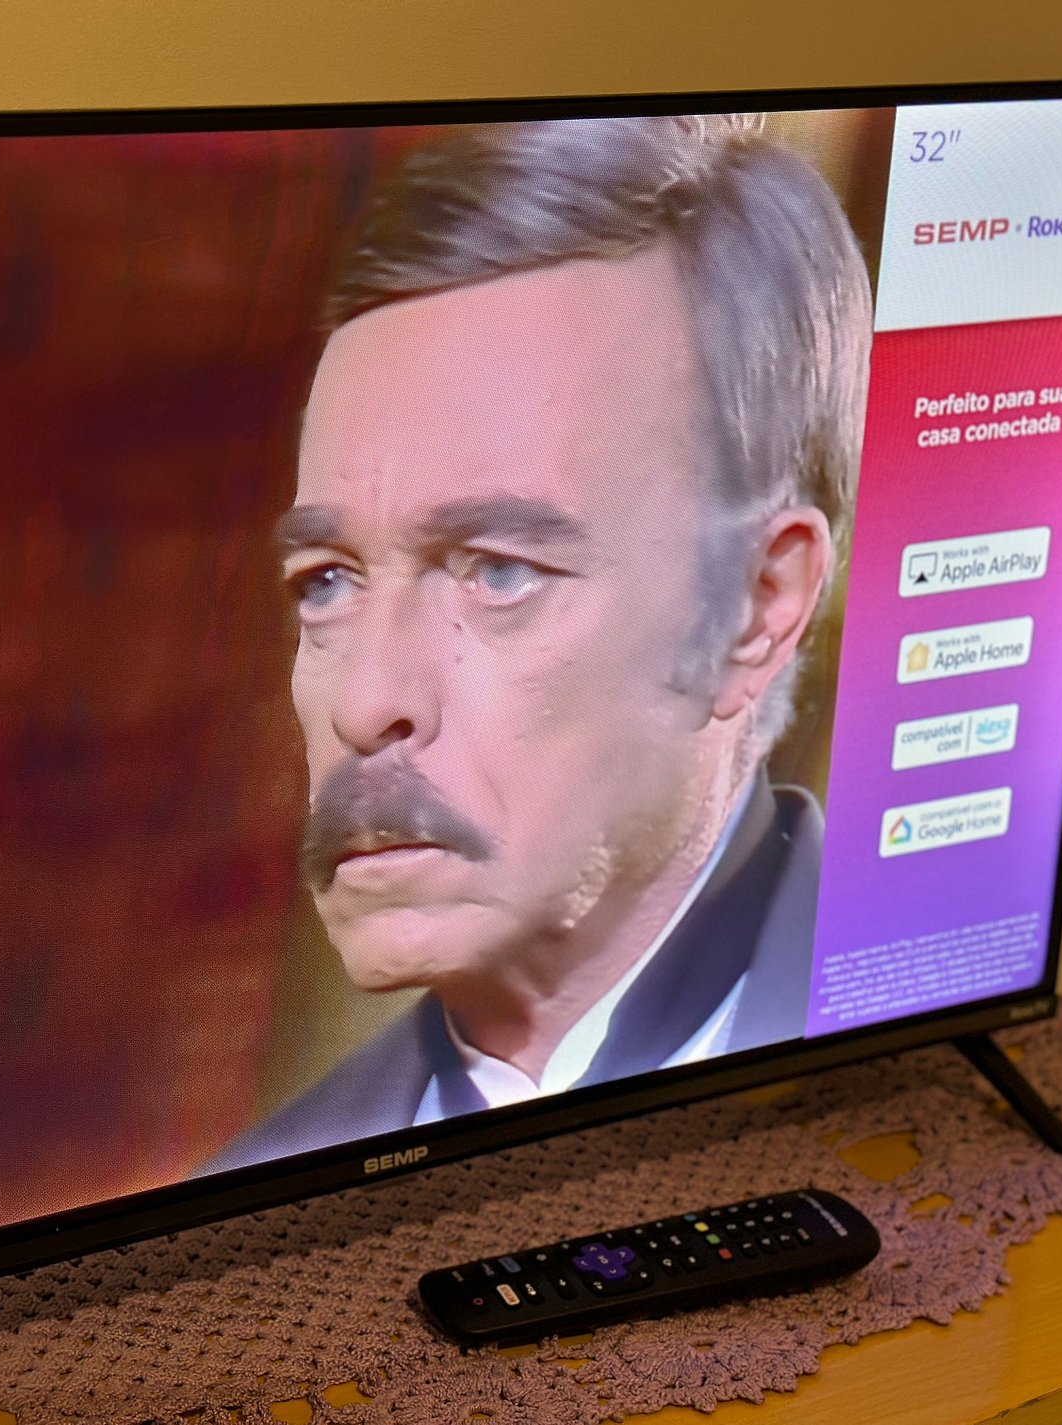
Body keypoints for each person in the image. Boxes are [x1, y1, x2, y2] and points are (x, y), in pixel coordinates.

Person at [208, 114, 872, 1173]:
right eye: (326, 581)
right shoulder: (255, 1193)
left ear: (755, 606)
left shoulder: (929, 1072)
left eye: (498, 571)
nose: (364, 703)